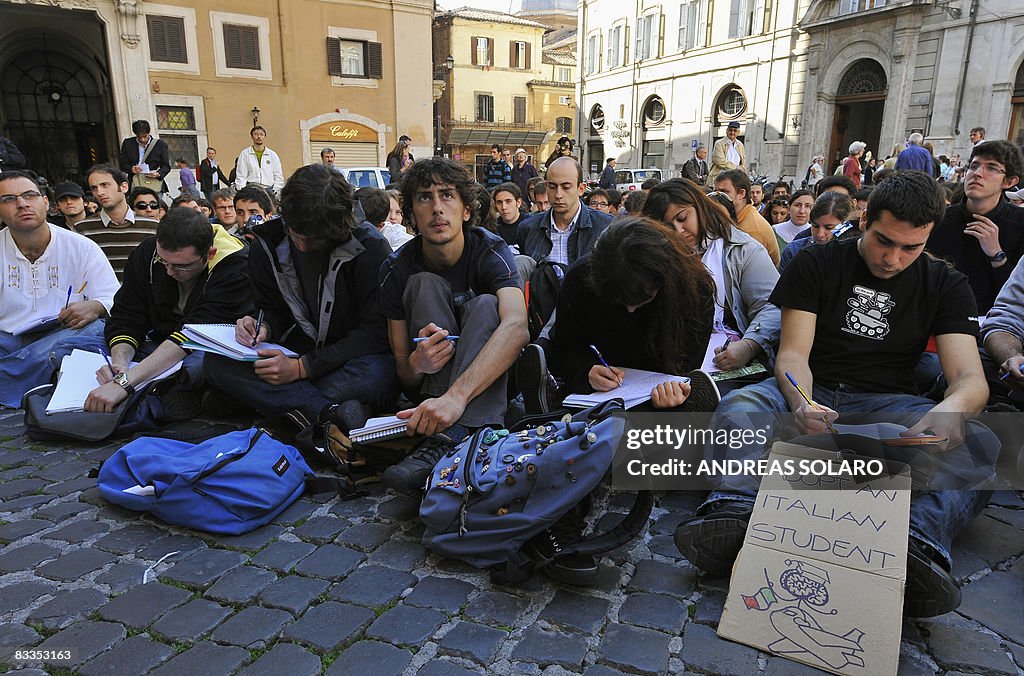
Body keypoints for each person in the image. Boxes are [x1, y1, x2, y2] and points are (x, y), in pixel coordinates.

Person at [674, 170, 997, 618]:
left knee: (981, 442)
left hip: (891, 401)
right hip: (815, 386)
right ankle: (733, 512)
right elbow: (792, 355)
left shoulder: (946, 283)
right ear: (865, 220)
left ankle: (915, 545)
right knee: (741, 405)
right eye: (885, 241)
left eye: (912, 248)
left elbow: (970, 380)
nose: (893, 259)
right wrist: (802, 402)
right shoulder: (817, 262)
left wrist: (952, 411)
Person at [205, 164, 397, 437]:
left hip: (348, 358)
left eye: (315, 240)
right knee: (215, 362)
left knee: (379, 375)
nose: (303, 246)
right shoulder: (268, 243)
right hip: (294, 351)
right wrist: (261, 326)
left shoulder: (370, 247)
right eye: (297, 235)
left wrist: (302, 368)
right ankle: (325, 411)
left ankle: (268, 403)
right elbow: (271, 308)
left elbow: (376, 333)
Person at [377, 157, 529, 493]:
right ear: (412, 215)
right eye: (424, 197)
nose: (436, 208)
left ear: (465, 209)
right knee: (423, 284)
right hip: (430, 389)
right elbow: (404, 370)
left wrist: (456, 398)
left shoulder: (491, 249)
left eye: (447, 195)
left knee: (489, 304)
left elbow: (518, 326)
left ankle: (455, 434)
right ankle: (455, 432)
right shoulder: (396, 268)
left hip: (485, 382)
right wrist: (416, 364)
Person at [84, 207, 251, 412]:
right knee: (73, 344)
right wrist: (120, 365)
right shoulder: (147, 252)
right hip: (157, 342)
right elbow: (127, 312)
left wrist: (125, 383)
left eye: (182, 266)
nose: (170, 272)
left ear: (210, 254)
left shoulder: (235, 265)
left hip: (203, 346)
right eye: (163, 262)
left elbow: (196, 332)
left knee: (203, 367)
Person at [546, 216, 718, 405]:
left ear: (663, 279)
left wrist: (675, 389)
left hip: (662, 400)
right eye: (619, 301)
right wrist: (585, 371)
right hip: (596, 399)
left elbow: (688, 364)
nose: (630, 310)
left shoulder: (695, 291)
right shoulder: (579, 280)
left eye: (642, 299)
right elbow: (562, 350)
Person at [643, 178, 781, 388]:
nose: (679, 230)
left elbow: (771, 305)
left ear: (700, 207)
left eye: (683, 218)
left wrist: (749, 345)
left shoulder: (743, 249)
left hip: (728, 361)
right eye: (668, 226)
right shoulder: (654, 256)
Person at [0, 170, 119, 407]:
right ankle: (35, 375)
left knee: (93, 330)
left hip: (62, 334)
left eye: (30, 196)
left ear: (46, 203)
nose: (22, 204)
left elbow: (114, 298)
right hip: (8, 339)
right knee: (58, 353)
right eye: (9, 199)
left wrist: (95, 306)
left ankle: (16, 376)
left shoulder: (82, 247)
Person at [927, 140, 1024, 314]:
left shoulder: (1019, 224)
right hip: (937, 316)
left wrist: (997, 255)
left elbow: (1017, 296)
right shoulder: (939, 218)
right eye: (974, 166)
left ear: (1009, 181)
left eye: (992, 168)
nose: (978, 173)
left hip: (992, 322)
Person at [515, 157, 612, 281]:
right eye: (552, 187)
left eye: (566, 187)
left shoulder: (607, 227)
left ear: (581, 189)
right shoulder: (527, 228)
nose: (558, 195)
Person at [76, 164, 160, 279]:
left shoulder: (152, 227)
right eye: (94, 188)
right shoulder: (82, 229)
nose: (99, 192)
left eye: (105, 185)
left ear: (124, 187)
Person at [714, 169, 781, 267]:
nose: (717, 197)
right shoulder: (734, 217)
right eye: (716, 192)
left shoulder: (753, 230)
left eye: (724, 192)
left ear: (742, 193)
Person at [778, 190, 856, 273]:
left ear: (845, 225)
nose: (820, 234)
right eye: (815, 226)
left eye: (828, 228)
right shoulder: (793, 251)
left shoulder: (857, 253)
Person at [118, 120, 171, 195]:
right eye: (139, 137)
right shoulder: (128, 143)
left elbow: (166, 166)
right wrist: (131, 169)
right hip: (135, 182)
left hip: (153, 182)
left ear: (148, 133)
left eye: (145, 136)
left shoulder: (160, 145)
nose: (142, 139)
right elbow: (123, 163)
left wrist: (158, 174)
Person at [234, 126, 284, 194]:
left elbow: (278, 175)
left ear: (264, 137)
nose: (259, 137)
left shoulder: (272, 155)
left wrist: (275, 190)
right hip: (251, 189)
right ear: (252, 137)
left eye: (261, 134)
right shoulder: (245, 154)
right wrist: (242, 191)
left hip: (269, 190)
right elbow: (241, 175)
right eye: (256, 134)